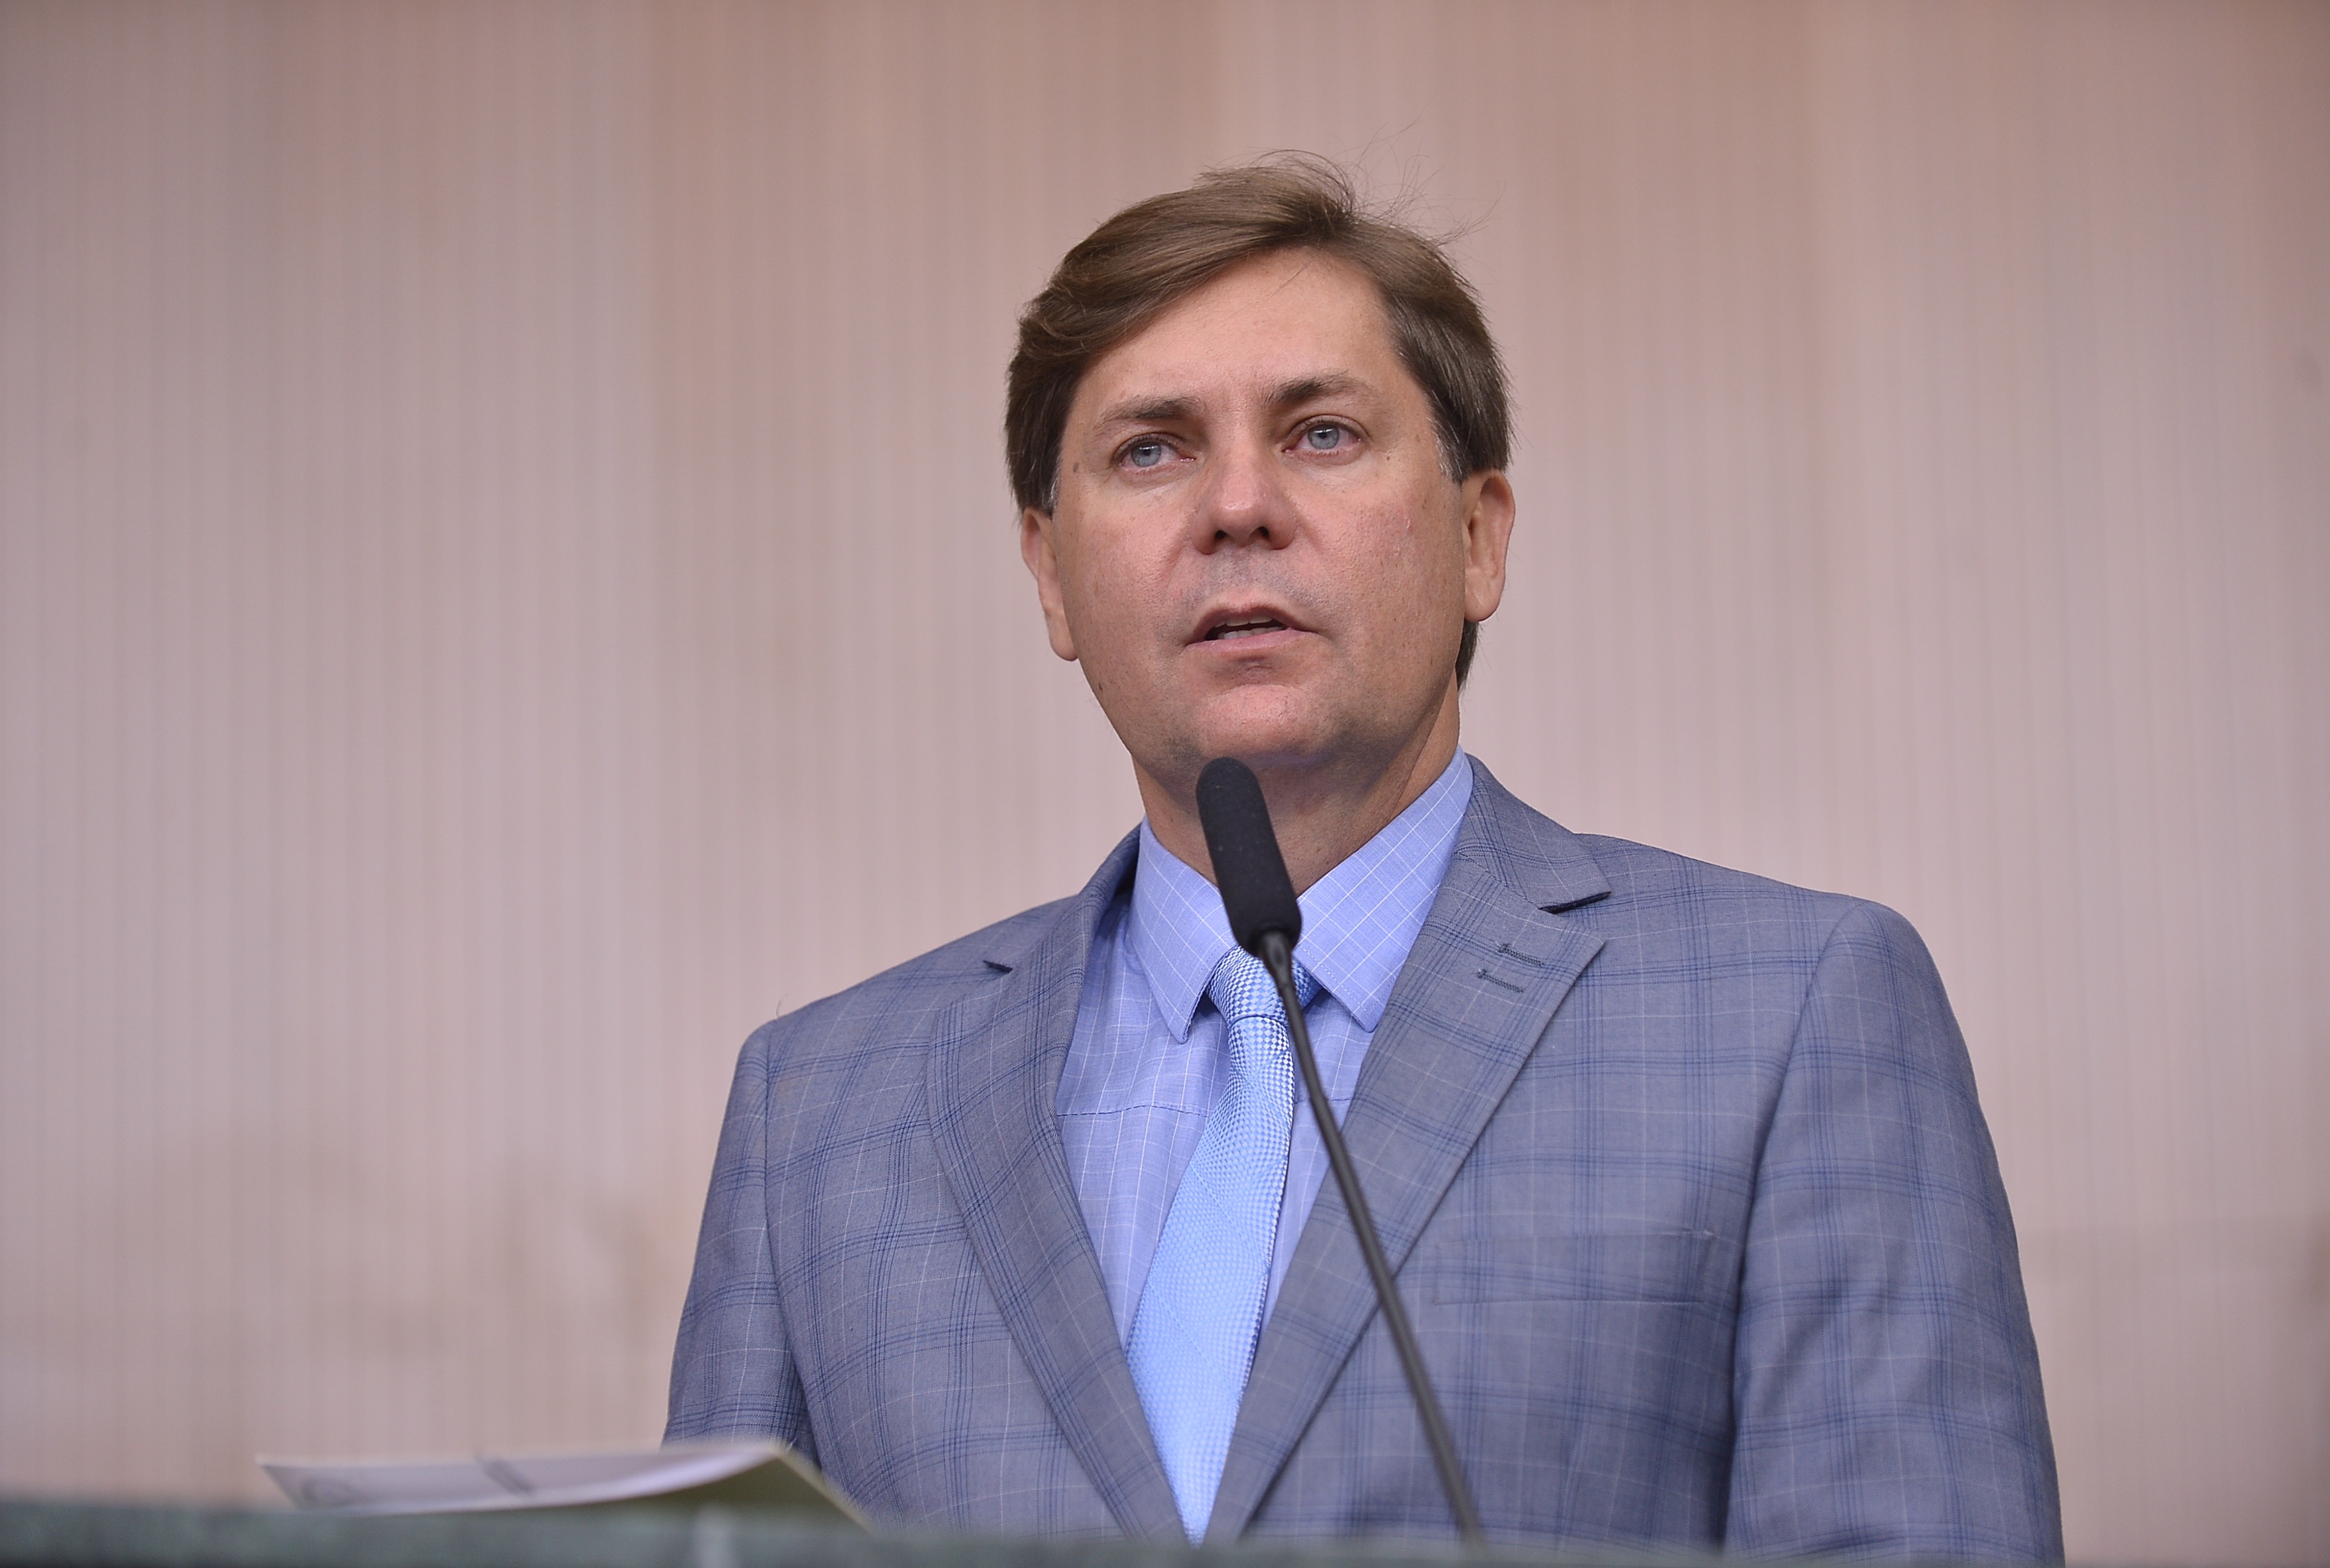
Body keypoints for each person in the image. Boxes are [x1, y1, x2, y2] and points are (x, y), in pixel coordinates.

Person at [666, 158, 2062, 1560]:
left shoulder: (1790, 1016)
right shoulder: (820, 1114)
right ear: (1050, 574)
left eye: (1322, 434)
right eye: (1151, 450)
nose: (1238, 507)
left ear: (1478, 537)